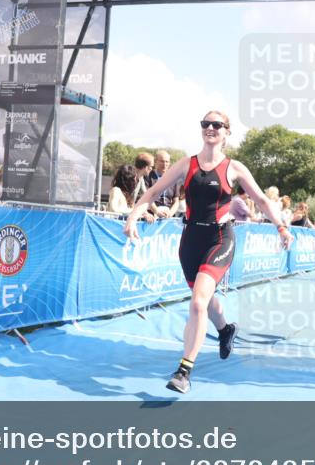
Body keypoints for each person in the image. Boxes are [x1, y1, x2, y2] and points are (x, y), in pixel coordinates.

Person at [123, 110, 293, 394]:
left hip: (219, 238)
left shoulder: (234, 168)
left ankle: (184, 371)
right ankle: (225, 329)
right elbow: (151, 193)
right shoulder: (186, 164)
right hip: (190, 240)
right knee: (205, 300)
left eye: (217, 124)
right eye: (206, 123)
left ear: (227, 132)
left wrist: (281, 227)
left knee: (198, 303)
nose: (210, 128)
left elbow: (262, 200)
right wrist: (132, 218)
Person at [151, 150, 181, 217]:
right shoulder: (149, 176)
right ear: (155, 161)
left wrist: (171, 213)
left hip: (167, 216)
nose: (164, 164)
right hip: (151, 216)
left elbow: (176, 201)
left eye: (167, 161)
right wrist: (156, 211)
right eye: (162, 161)